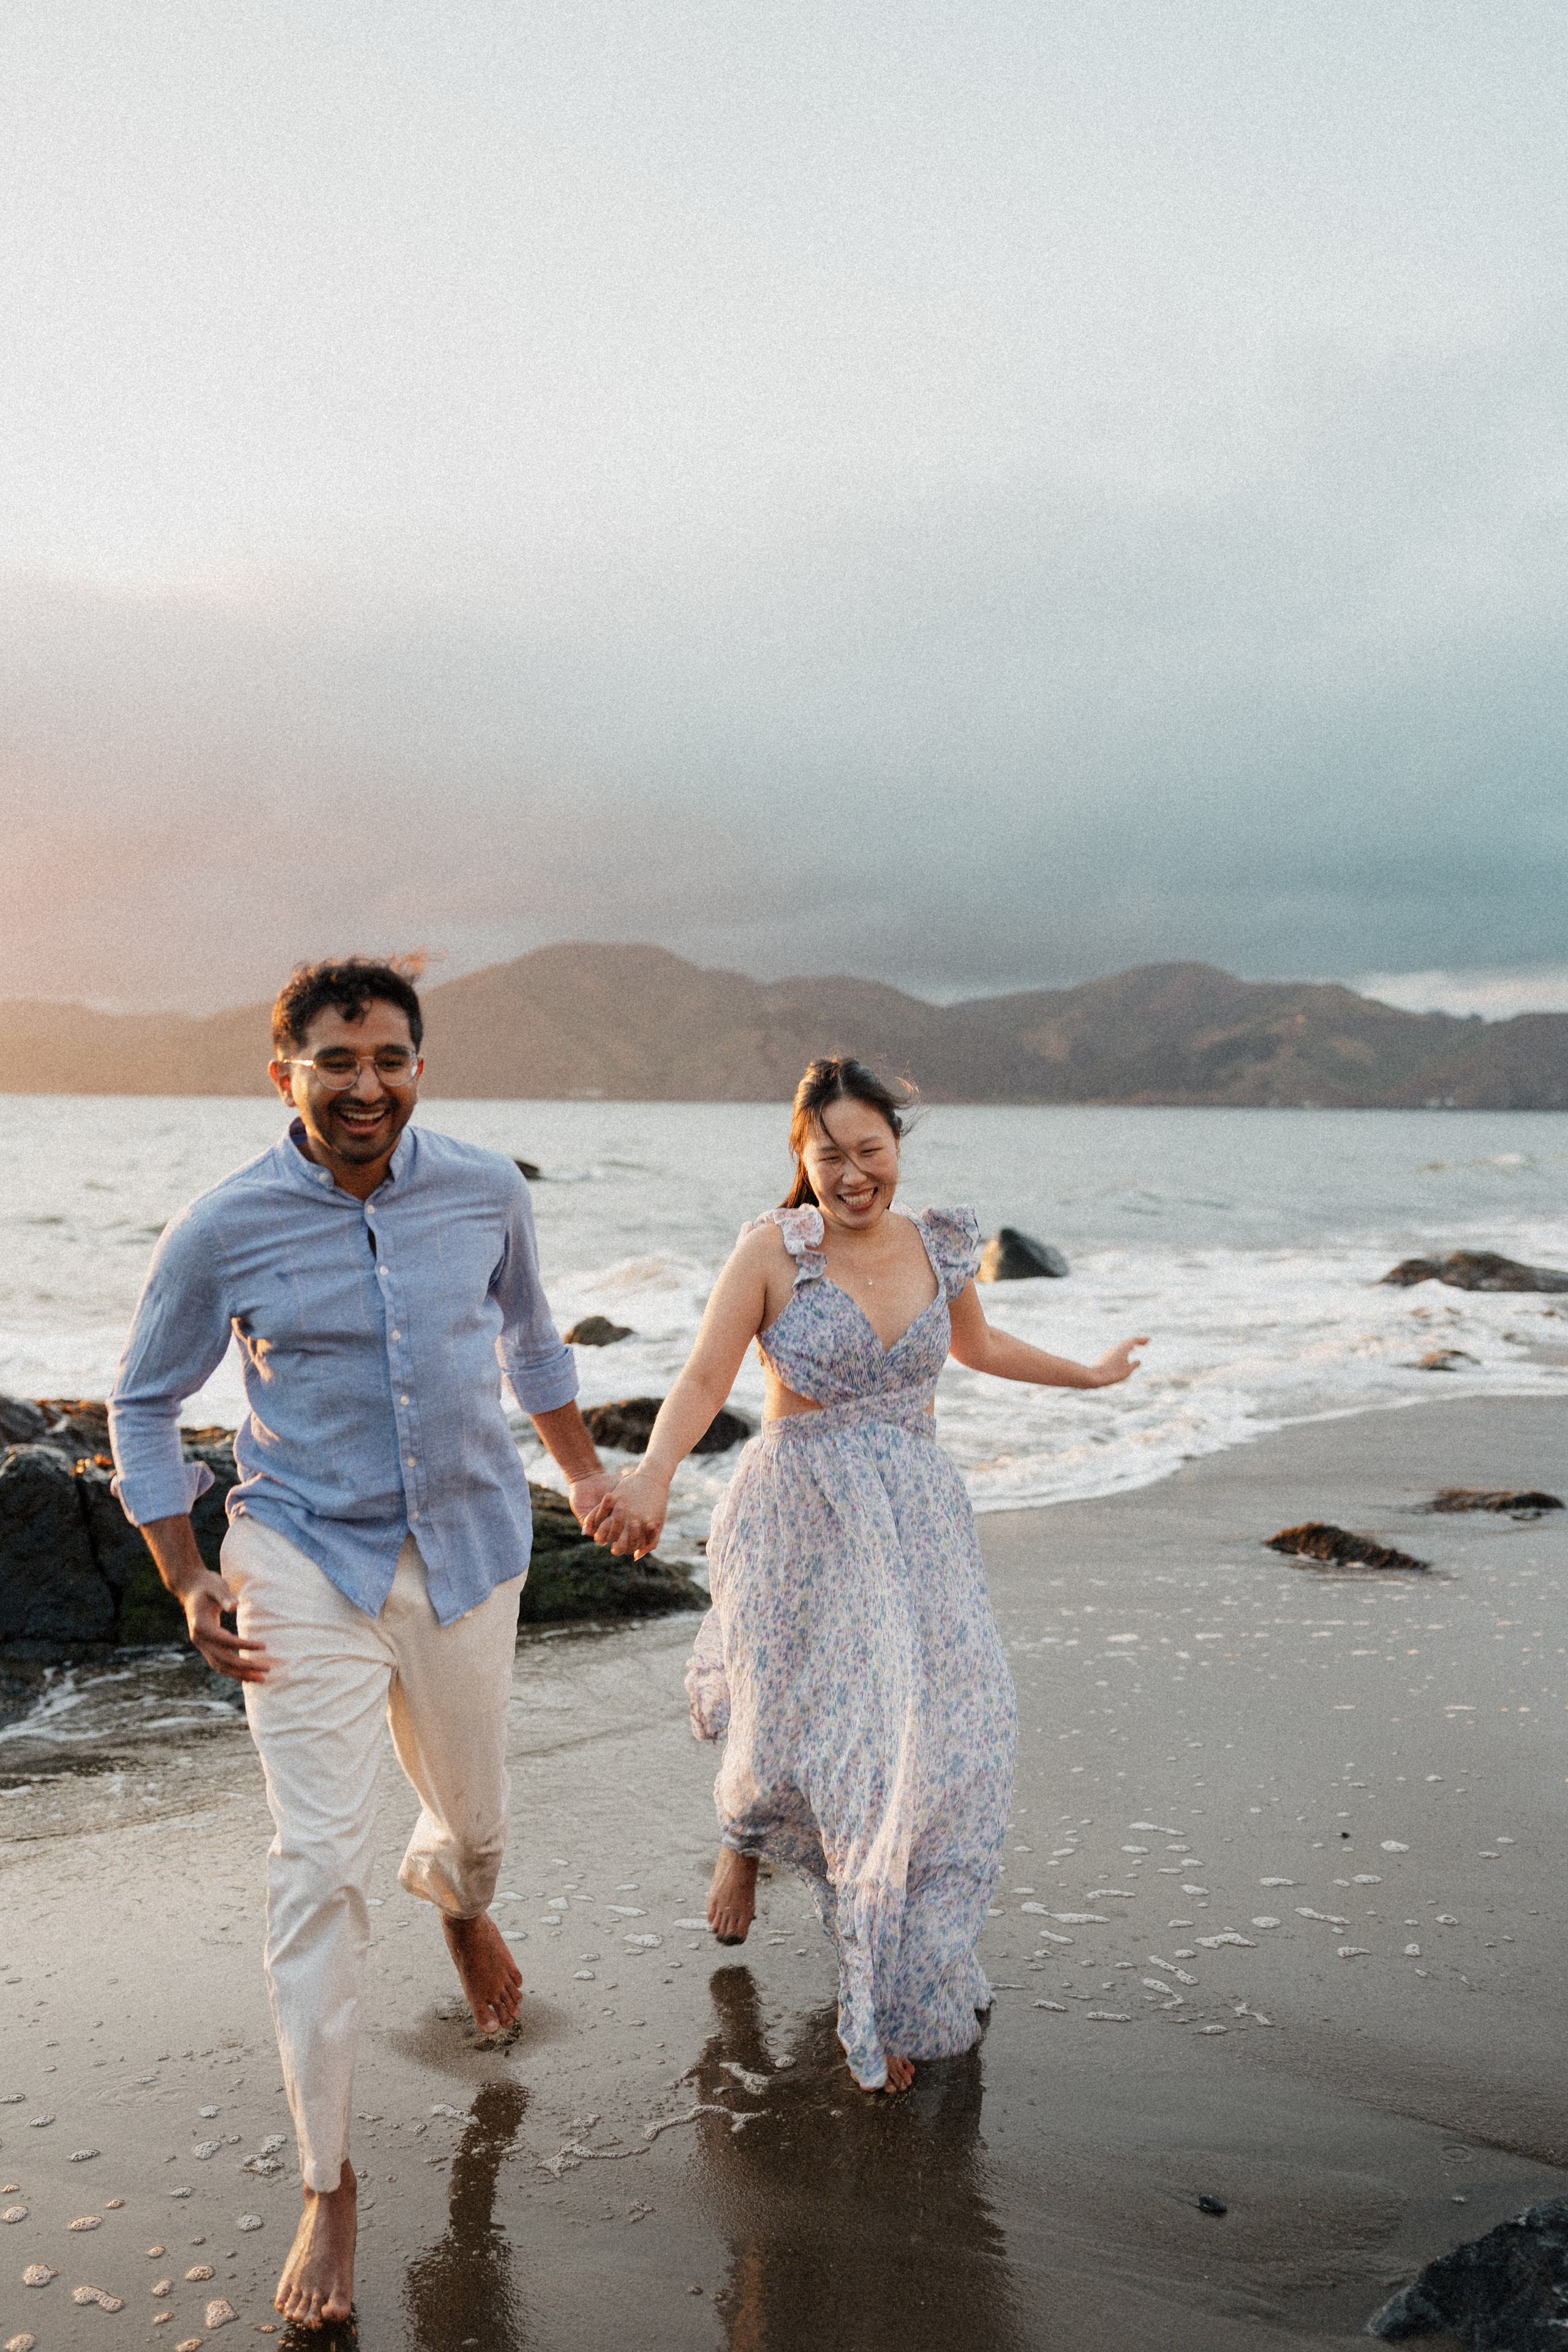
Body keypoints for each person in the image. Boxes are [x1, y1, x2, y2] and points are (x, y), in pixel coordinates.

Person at [108, 957, 611, 2332]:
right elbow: (142, 1402)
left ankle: (458, 1901)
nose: (365, 1085)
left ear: (420, 1067)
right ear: (285, 1074)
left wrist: (585, 1477)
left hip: (465, 1549)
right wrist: (185, 1574)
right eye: (336, 1061)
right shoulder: (222, 1227)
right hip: (300, 1553)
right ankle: (327, 2182)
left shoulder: (486, 1191)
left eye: (389, 1058)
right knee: (319, 1866)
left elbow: (533, 1344)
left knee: (477, 1826)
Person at [588, 1057, 1146, 2095]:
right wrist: (654, 1474)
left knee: (946, 1736)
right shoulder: (773, 1251)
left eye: (870, 1151)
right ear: (800, 1159)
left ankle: (896, 1962)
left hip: (917, 1521)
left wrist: (1090, 1374)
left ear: (898, 1146)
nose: (852, 1175)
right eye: (829, 1156)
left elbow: (980, 1348)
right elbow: (705, 1376)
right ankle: (748, 1841)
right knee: (795, 1722)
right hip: (797, 1513)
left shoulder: (939, 1243)